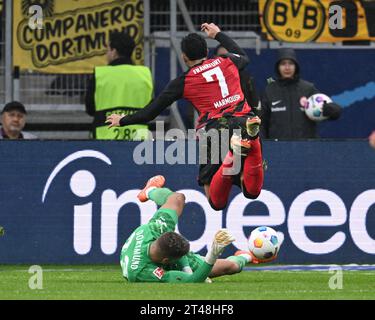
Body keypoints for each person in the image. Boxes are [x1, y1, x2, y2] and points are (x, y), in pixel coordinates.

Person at [107, 23, 264, 211]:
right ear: (207, 50)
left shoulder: (184, 81)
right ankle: (251, 141)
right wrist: (218, 35)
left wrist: (122, 120)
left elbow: (151, 111)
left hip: (215, 131)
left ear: (184, 57)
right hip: (244, 120)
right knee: (252, 191)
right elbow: (244, 57)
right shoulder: (226, 60)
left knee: (216, 202)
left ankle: (231, 156)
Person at [121, 175, 270, 283]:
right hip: (149, 263)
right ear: (166, 261)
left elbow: (177, 198)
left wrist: (187, 269)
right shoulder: (143, 273)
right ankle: (248, 256)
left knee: (177, 198)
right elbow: (192, 281)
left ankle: (149, 190)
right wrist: (211, 255)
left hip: (157, 251)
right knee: (231, 267)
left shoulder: (154, 230)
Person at [85, 31, 153, 140]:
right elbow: (151, 106)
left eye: (108, 49)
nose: (107, 53)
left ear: (114, 52)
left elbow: (90, 108)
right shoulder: (144, 74)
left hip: (105, 136)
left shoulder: (100, 74)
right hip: (138, 137)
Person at [261, 48, 342, 139]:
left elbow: (334, 112)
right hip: (279, 148)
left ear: (296, 66)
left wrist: (331, 110)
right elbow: (262, 122)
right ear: (278, 67)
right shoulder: (270, 90)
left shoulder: (308, 89)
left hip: (306, 148)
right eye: (283, 64)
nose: (287, 67)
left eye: (291, 64)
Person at [214, 44, 260, 115]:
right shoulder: (210, 79)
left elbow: (254, 102)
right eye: (221, 56)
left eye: (227, 56)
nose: (223, 60)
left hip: (243, 119)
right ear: (214, 58)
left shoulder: (244, 76)